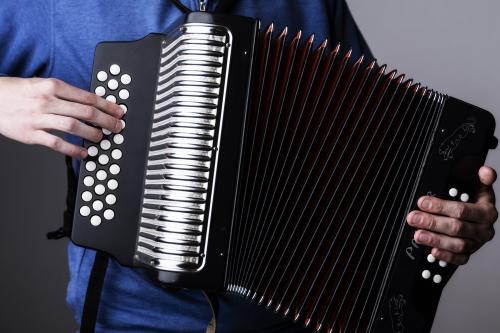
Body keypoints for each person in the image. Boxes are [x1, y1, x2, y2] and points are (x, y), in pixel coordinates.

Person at [0, 1, 497, 332]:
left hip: (291, 315)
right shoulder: (54, 5)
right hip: (130, 316)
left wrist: (450, 216)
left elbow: (385, 154)